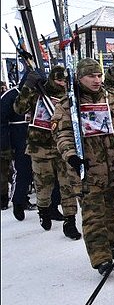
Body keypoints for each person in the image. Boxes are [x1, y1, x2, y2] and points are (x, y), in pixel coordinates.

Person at [52, 58, 114, 274]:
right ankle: (100, 258)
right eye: (91, 76)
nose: (97, 80)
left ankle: (108, 244)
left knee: (112, 213)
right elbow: (62, 134)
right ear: (79, 78)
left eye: (99, 75)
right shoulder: (68, 104)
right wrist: (71, 156)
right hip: (86, 170)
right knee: (93, 216)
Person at [12, 65, 81, 238]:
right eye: (59, 80)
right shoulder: (38, 94)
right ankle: (43, 210)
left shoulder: (70, 96)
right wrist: (28, 86)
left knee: (68, 187)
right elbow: (19, 109)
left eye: (65, 80)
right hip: (39, 147)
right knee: (43, 185)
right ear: (51, 79)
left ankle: (70, 221)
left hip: (63, 147)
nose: (62, 84)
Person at [1, 76, 35, 220]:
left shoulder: (39, 94)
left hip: (36, 137)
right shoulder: (10, 96)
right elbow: (1, 122)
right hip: (18, 139)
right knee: (21, 171)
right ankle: (18, 201)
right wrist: (5, 145)